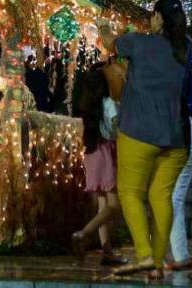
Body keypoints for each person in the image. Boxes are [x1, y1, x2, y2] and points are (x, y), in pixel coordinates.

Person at [100, 0, 190, 280]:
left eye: (153, 15)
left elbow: (110, 43)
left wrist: (103, 27)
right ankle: (158, 264)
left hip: (139, 131)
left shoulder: (139, 42)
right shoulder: (186, 49)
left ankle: (145, 255)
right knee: (160, 196)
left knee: (129, 193)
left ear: (159, 18)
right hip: (175, 137)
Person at [70, 65, 125, 266]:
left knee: (103, 205)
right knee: (113, 206)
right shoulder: (108, 103)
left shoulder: (87, 105)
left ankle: (107, 252)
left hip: (93, 152)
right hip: (106, 153)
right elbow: (118, 126)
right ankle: (83, 234)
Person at [167, 16, 192, 273]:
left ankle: (178, 254)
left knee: (171, 196)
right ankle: (178, 253)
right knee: (173, 195)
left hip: (173, 129)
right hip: (189, 126)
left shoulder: (160, 52)